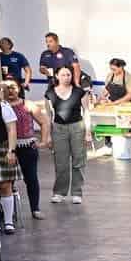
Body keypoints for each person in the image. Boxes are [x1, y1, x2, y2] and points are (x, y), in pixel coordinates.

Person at [0, 81, 47, 222]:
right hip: (7, 147)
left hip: (27, 146)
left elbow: (44, 122)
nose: (11, 91)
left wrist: (43, 140)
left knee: (31, 178)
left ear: (19, 88)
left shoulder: (28, 104)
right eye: (7, 88)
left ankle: (35, 209)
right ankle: (8, 212)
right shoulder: (0, 106)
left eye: (13, 87)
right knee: (7, 181)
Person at [44, 65, 90, 205]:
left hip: (77, 127)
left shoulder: (79, 92)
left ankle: (77, 192)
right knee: (61, 162)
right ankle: (59, 192)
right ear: (57, 76)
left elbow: (86, 111)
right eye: (63, 75)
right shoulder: (50, 93)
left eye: (69, 75)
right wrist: (47, 135)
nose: (66, 77)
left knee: (78, 160)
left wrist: (87, 132)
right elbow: (48, 115)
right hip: (58, 128)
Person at [0, 84, 21, 232]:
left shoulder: (2, 106)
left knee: (4, 186)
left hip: (1, 149)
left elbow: (11, 129)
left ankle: (8, 222)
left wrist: (11, 150)